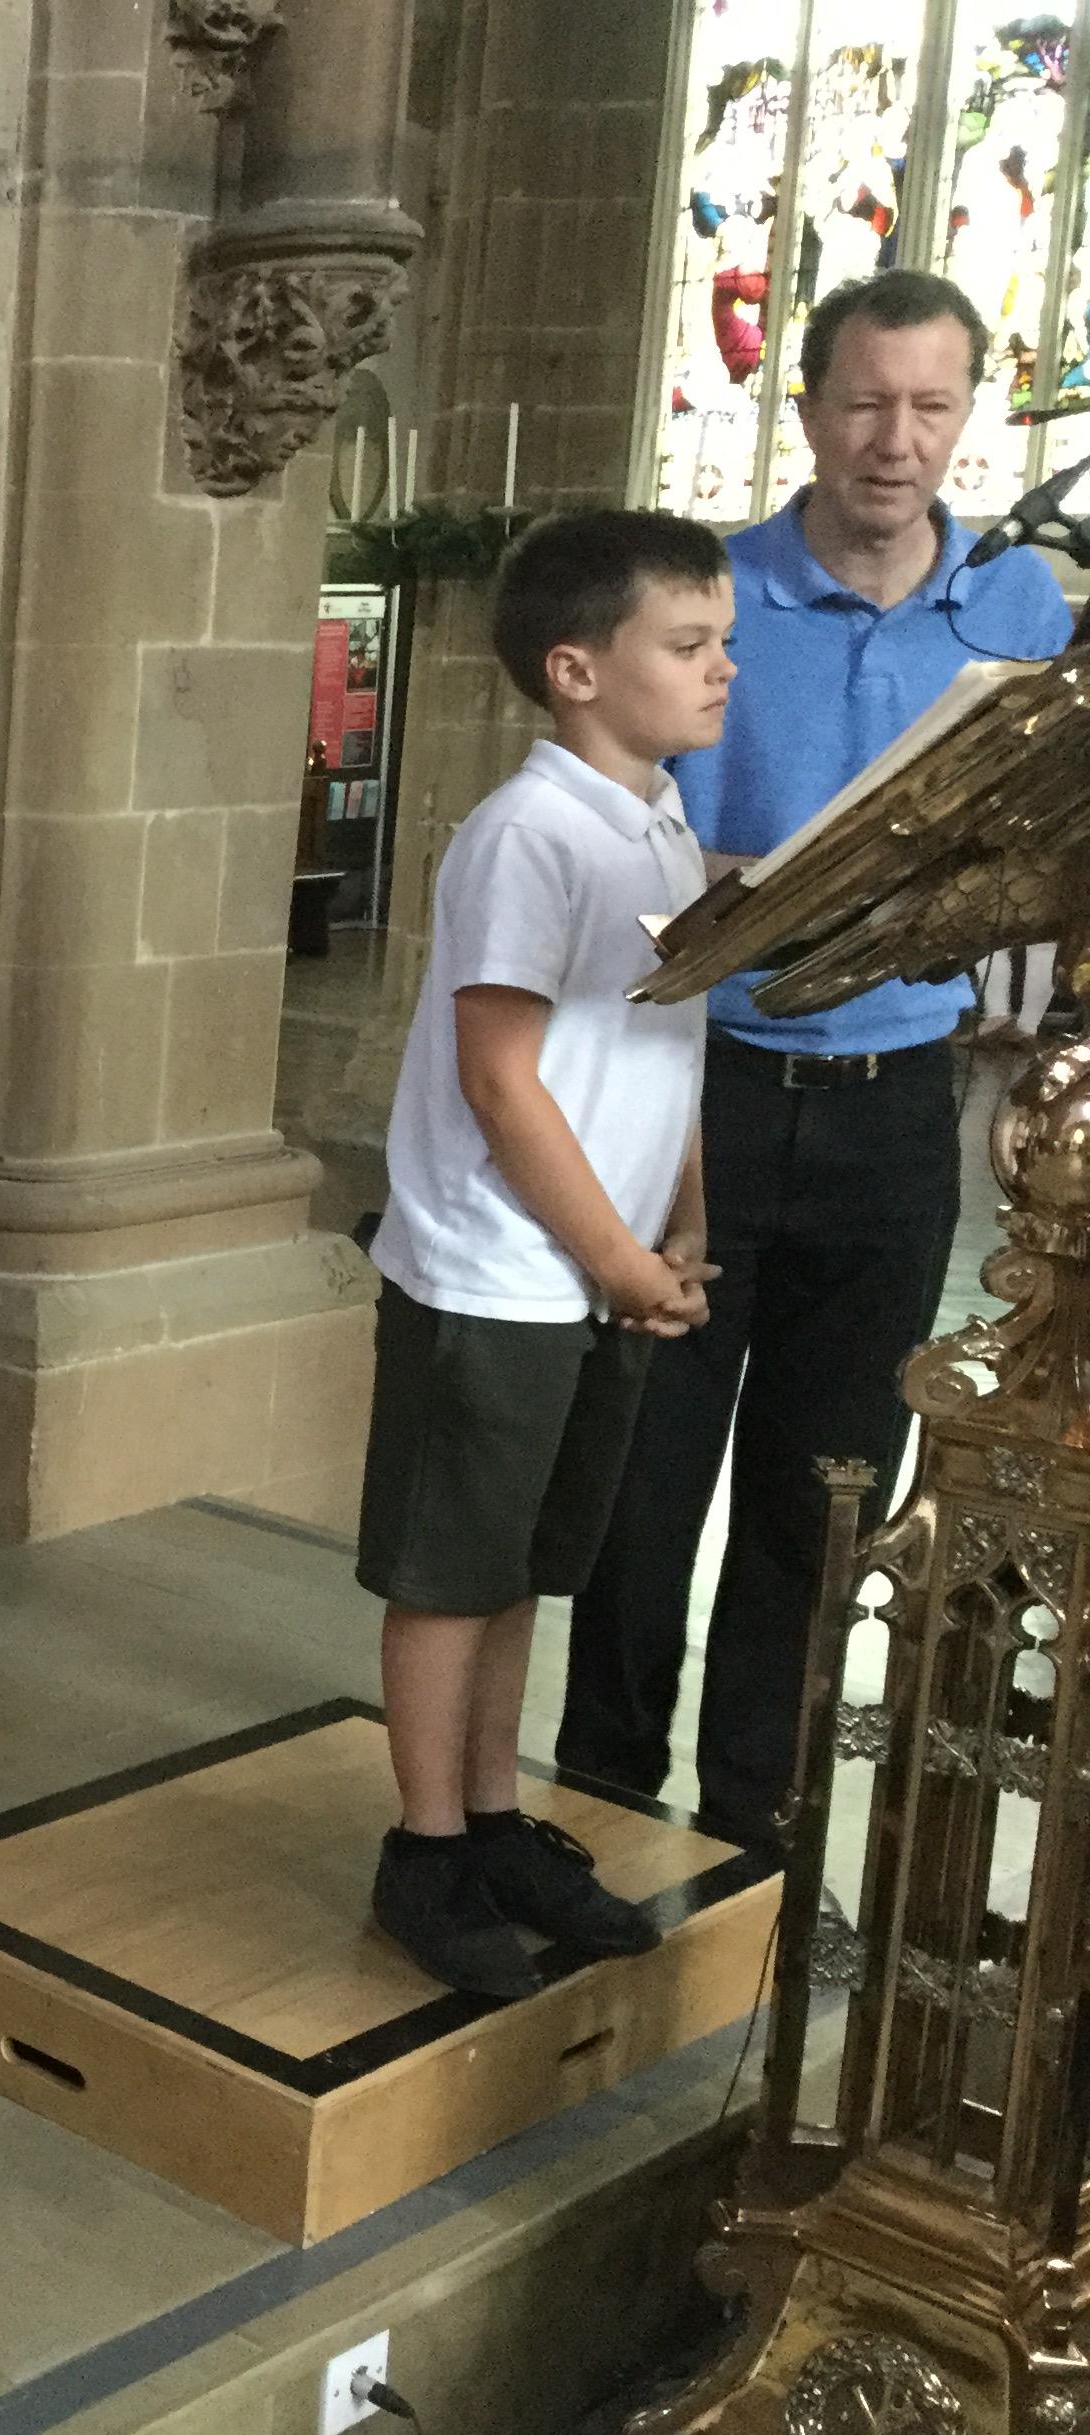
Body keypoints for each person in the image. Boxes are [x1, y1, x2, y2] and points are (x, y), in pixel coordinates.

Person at [557, 271, 1076, 1848]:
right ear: (808, 408)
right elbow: (607, 821)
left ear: (970, 414)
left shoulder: (1019, 609)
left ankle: (752, 1826)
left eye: (930, 406)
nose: (894, 440)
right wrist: (746, 887)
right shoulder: (710, 591)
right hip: (695, 1093)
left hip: (897, 1106)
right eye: (863, 402)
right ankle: (599, 1797)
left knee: (825, 1481)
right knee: (645, 1475)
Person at [361, 512, 735, 1998]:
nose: (720, 671)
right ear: (576, 669)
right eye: (687, 645)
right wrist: (621, 1264)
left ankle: (492, 1817)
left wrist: (682, 1219)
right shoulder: (529, 833)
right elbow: (500, 1080)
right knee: (452, 1575)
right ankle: (424, 1850)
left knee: (519, 1566)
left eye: (721, 645)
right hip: (501, 1275)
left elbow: (666, 1043)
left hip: (597, 1266)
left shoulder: (659, 821)